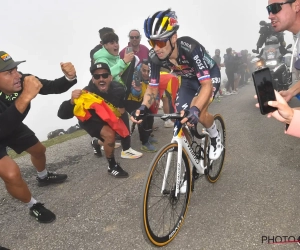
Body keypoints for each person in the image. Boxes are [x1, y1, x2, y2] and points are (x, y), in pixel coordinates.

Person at [131, 8, 223, 160]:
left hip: (208, 76)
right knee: (179, 118)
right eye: (152, 42)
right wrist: (143, 107)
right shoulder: (155, 56)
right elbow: (153, 88)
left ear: (174, 38)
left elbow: (206, 85)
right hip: (187, 80)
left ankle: (214, 135)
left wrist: (194, 109)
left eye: (160, 42)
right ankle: (187, 162)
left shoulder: (189, 47)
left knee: (198, 112)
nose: (156, 48)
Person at [0, 51, 77, 223]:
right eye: (8, 72)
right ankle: (33, 205)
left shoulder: (22, 79)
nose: (16, 75)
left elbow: (53, 86)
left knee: (39, 150)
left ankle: (43, 177)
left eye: (15, 69)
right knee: (11, 174)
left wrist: (69, 78)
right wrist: (26, 96)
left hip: (11, 124)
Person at [58, 62, 143, 178]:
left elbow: (127, 106)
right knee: (109, 135)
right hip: (90, 120)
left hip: (107, 117)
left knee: (112, 137)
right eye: (97, 76)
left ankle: (96, 143)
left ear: (110, 77)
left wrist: (135, 111)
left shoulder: (119, 89)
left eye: (104, 75)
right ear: (93, 79)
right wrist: (71, 101)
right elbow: (62, 115)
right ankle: (112, 166)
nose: (101, 79)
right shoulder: (86, 92)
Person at [266, 0, 300, 101]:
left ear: (296, 6)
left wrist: (291, 114)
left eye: (275, 8)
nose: (270, 16)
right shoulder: (297, 36)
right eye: (269, 10)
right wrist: (291, 91)